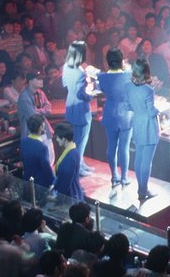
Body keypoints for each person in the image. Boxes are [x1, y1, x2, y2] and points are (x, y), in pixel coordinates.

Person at [97, 47, 133, 187]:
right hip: (125, 114)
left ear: (108, 62)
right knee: (124, 147)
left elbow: (101, 90)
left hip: (110, 112)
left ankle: (114, 176)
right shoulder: (129, 75)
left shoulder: (102, 77)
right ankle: (124, 178)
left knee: (112, 146)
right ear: (121, 60)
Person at [126, 56, 159, 203]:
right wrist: (159, 109)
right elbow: (151, 112)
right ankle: (143, 190)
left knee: (139, 158)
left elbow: (128, 105)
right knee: (147, 162)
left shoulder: (128, 86)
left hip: (137, 124)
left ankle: (142, 189)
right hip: (149, 126)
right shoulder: (148, 90)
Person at [62, 40, 94, 176]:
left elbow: (64, 84)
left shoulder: (65, 67)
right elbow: (82, 94)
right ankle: (78, 168)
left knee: (75, 140)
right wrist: (91, 92)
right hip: (81, 109)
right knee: (80, 140)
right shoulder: (80, 72)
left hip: (70, 106)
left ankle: (80, 163)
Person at [20, 113, 55, 189]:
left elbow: (23, 160)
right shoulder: (42, 147)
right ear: (41, 127)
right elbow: (47, 169)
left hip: (27, 181)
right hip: (40, 184)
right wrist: (54, 181)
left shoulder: (23, 141)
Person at [52, 121, 84, 200]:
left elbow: (66, 183)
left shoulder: (71, 156)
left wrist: (58, 200)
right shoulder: (69, 152)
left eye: (58, 137)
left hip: (70, 197)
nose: (56, 139)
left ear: (64, 139)